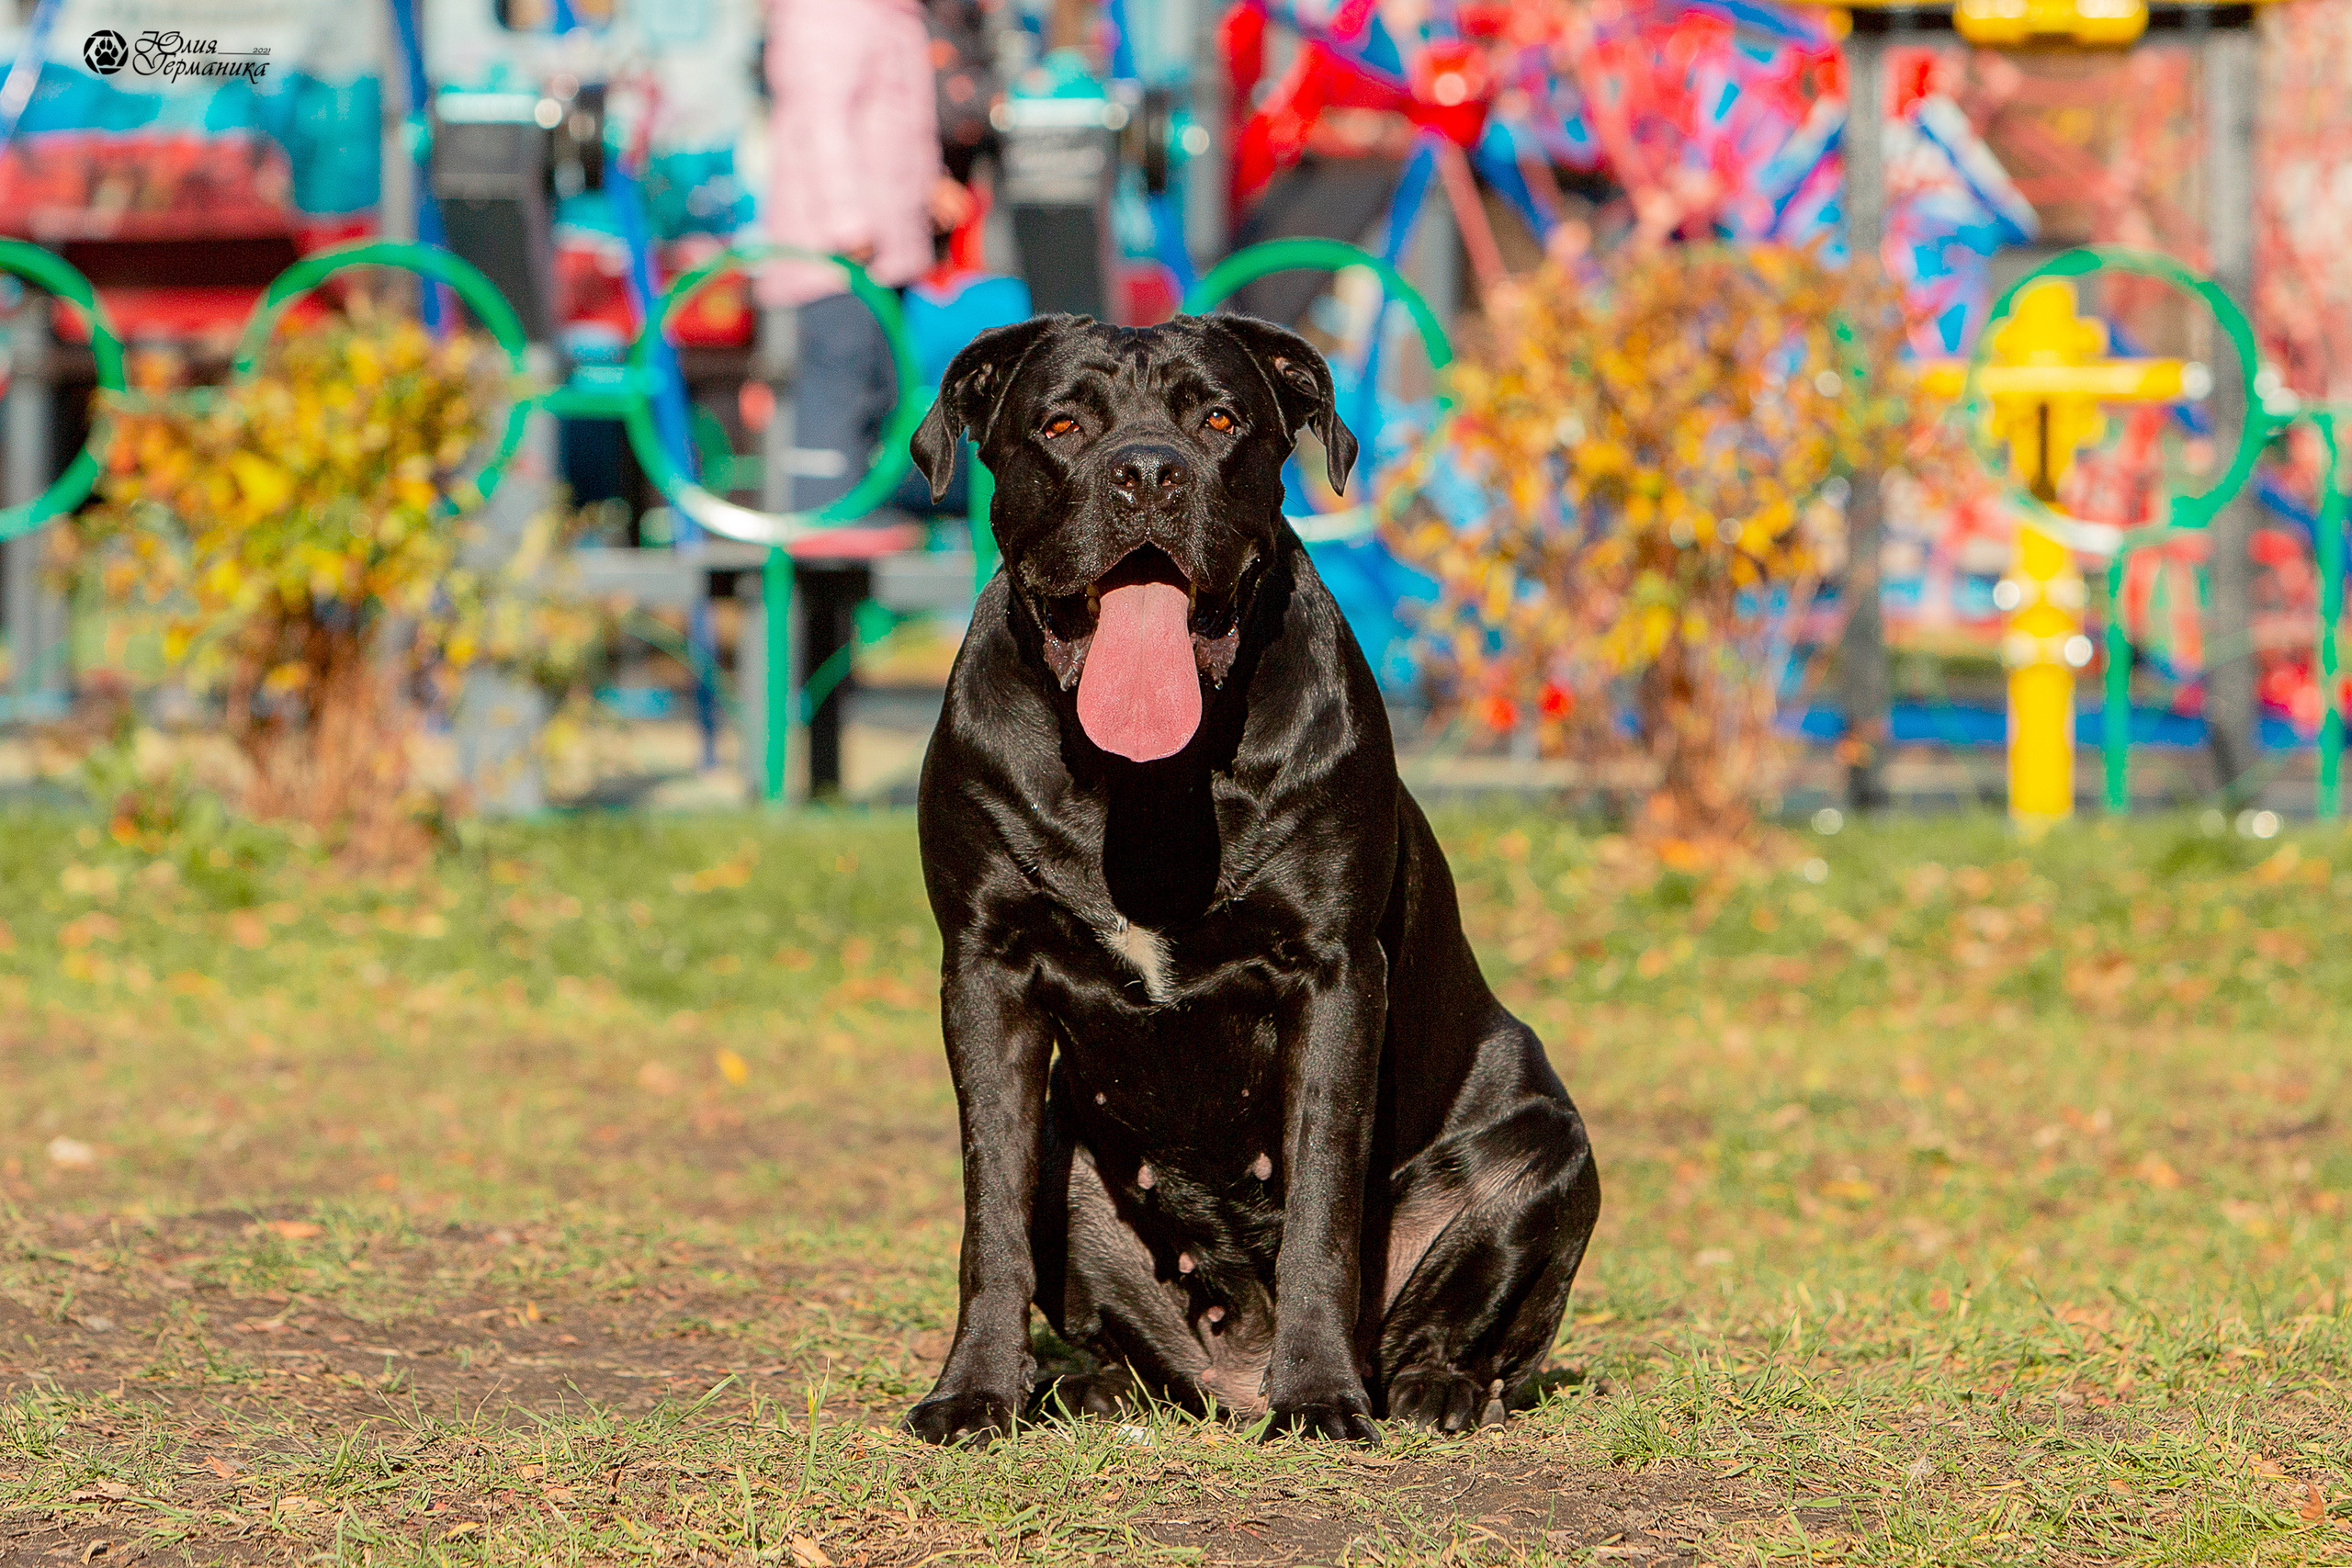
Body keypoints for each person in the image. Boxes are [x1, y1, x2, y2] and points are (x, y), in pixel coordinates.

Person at [763, 0, 976, 513]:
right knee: (837, 385)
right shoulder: (829, 14)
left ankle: (857, 510)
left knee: (879, 389)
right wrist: (848, 224)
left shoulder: (889, 16)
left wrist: (929, 186)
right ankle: (822, 515)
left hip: (884, 254)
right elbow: (821, 125)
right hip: (836, 261)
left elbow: (893, 122)